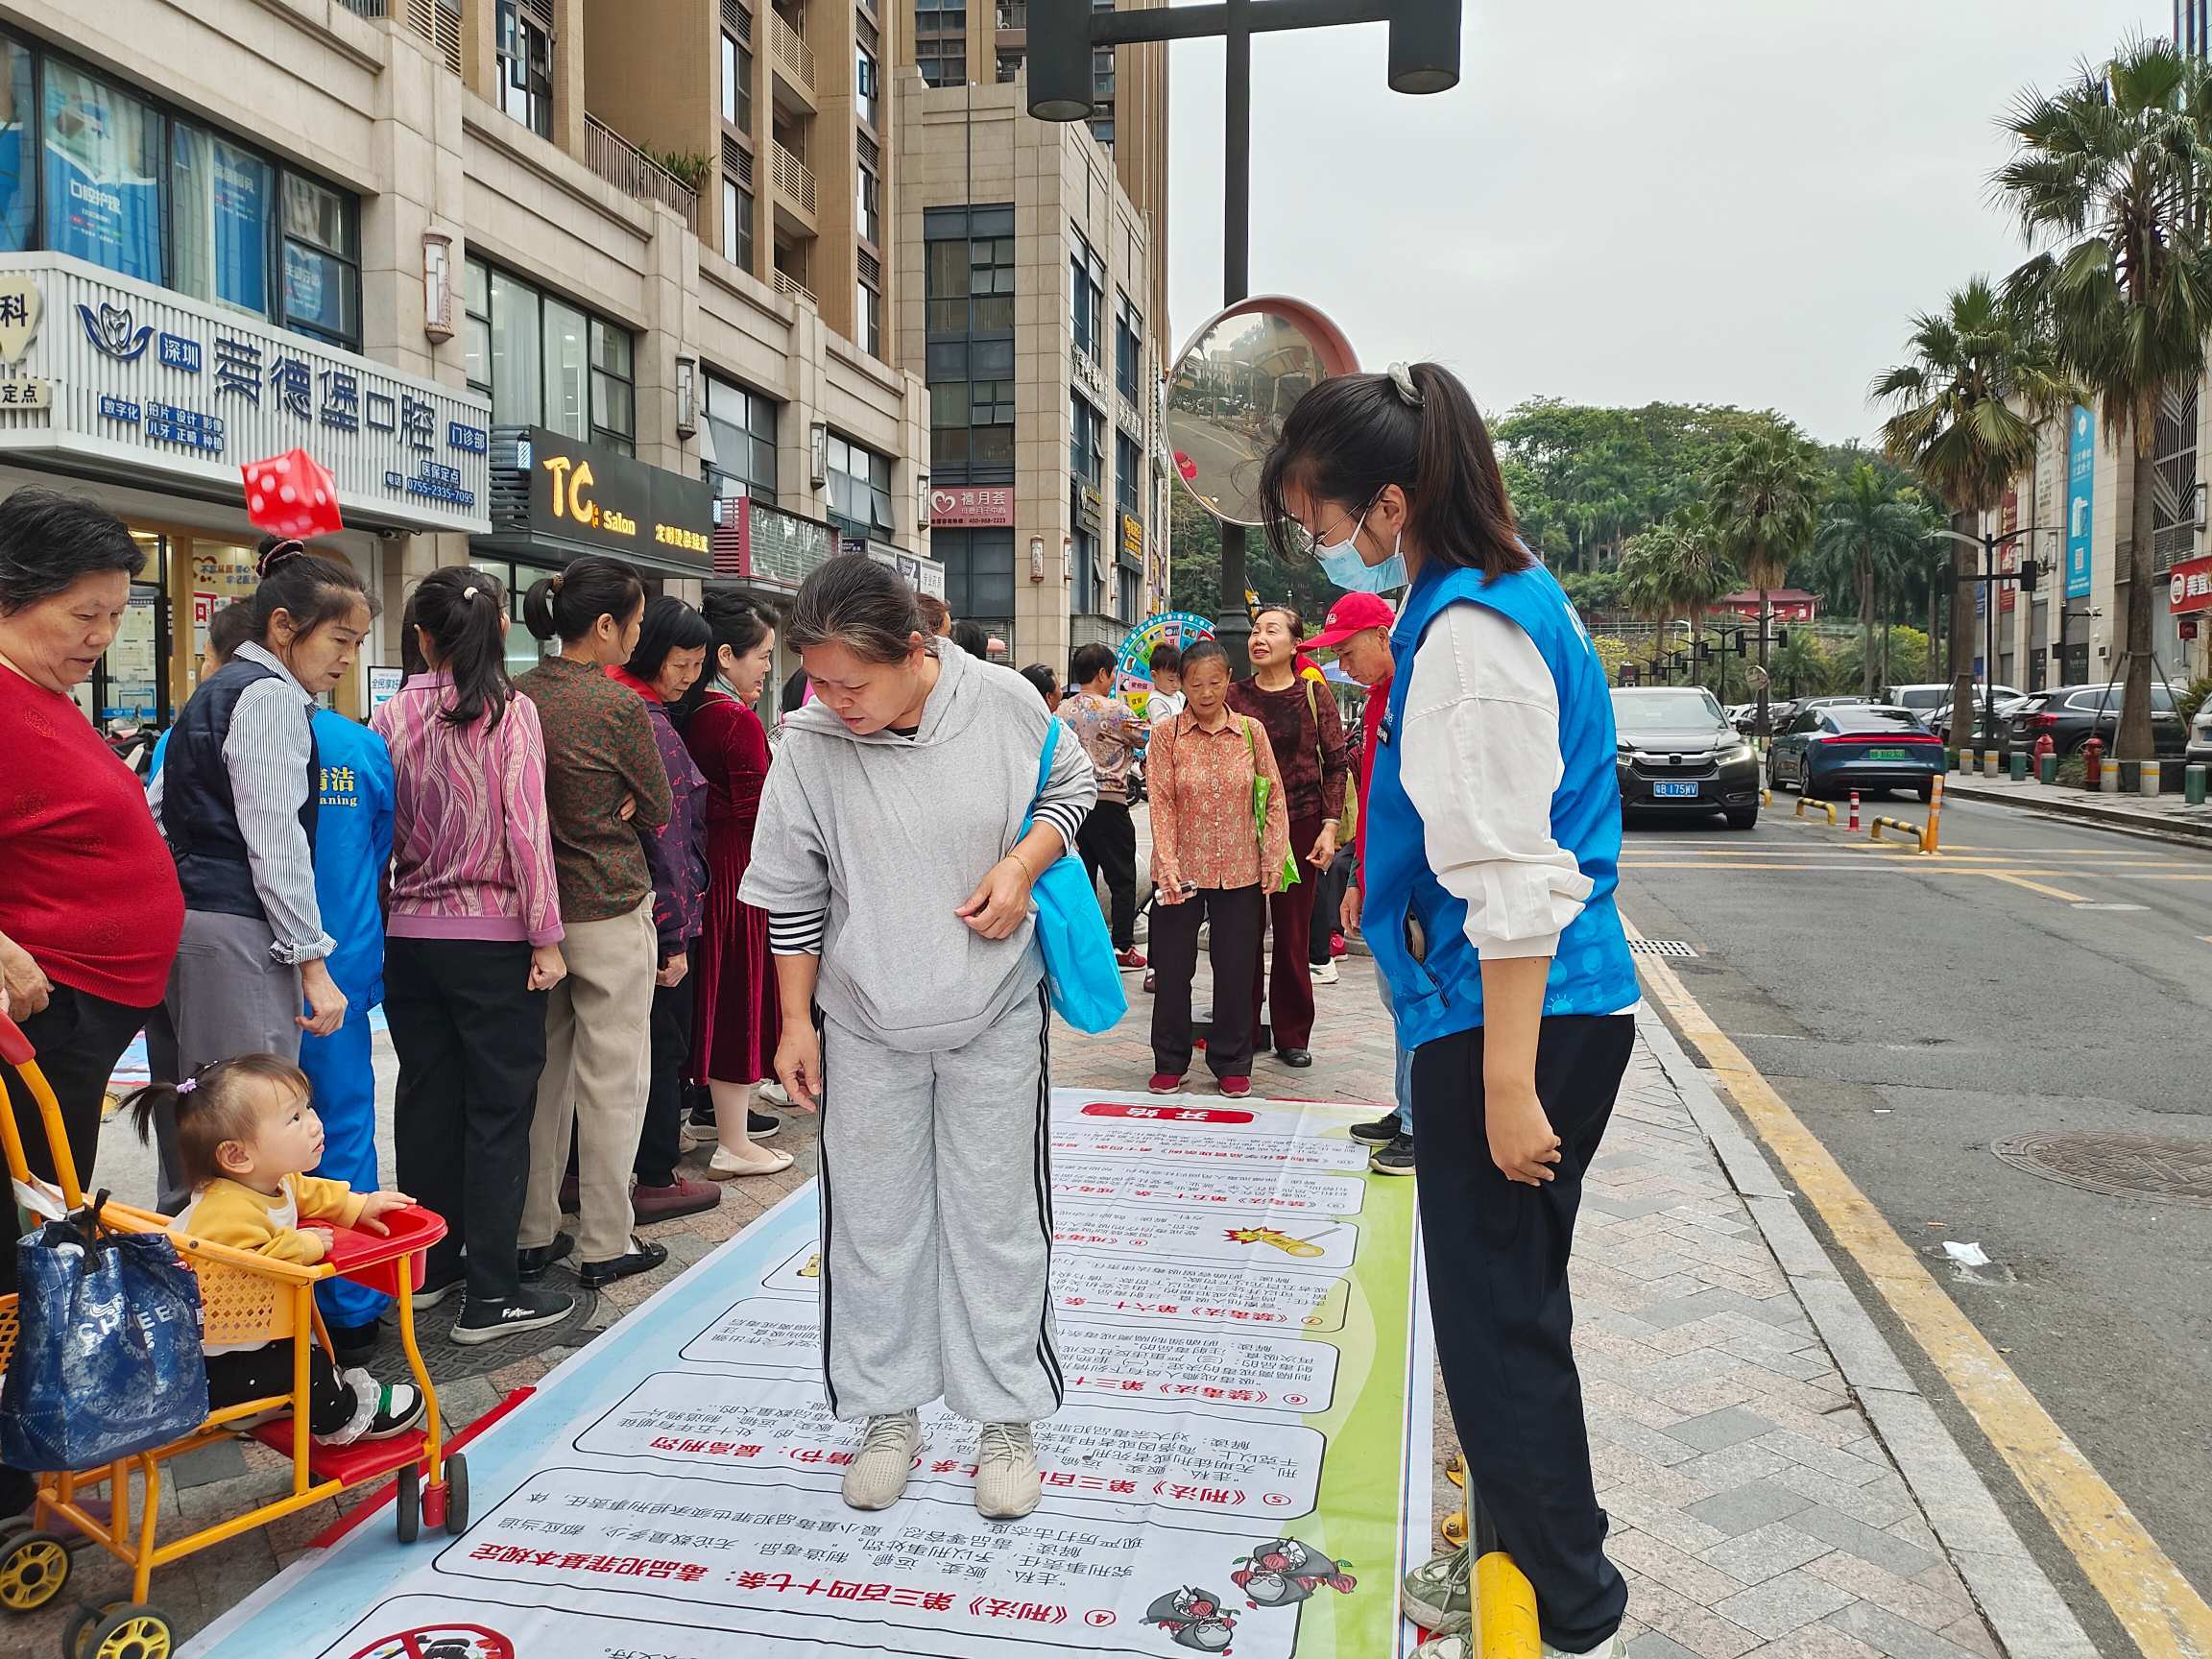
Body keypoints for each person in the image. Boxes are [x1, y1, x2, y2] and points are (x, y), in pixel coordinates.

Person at [1262, 362, 1640, 1659]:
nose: (1317, 549)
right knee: (1505, 1304)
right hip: (1505, 1004)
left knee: (1498, 1323)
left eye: (1318, 519)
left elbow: (1515, 875)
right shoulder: (1473, 601)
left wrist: (1505, 1082)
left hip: (1518, 1008)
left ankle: (1561, 1599)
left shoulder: (1470, 635)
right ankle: (1513, 1567)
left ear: (1387, 503)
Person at [740, 555, 1094, 1522]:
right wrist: (791, 1023)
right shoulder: (810, 742)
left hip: (992, 1012)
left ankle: (1005, 1418)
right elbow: (795, 897)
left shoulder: (1005, 705)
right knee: (873, 1225)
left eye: (852, 682)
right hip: (865, 1020)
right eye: (816, 679)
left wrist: (1022, 865)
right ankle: (887, 1412)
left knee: (996, 1218)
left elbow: (1073, 790)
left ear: (915, 650)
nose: (834, 700)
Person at [0, 492, 188, 1517]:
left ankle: (34, 1434)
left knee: (46, 1222)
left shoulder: (43, 694)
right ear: (12, 594)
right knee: (25, 1237)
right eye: (84, 614)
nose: (103, 638)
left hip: (79, 1022)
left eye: (117, 614)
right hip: (39, 1023)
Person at [375, 566, 575, 1343]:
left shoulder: (390, 715)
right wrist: (546, 938)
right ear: (498, 633)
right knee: (499, 1114)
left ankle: (430, 1271)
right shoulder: (508, 714)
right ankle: (492, 1297)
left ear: (422, 636)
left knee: (425, 1103)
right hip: (491, 940)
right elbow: (528, 832)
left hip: (410, 940)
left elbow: (382, 835)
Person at [148, 537, 376, 1212]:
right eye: (339, 639)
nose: (346, 658)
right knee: (248, 1132)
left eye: (356, 643)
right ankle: (245, 1300)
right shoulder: (273, 699)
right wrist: (313, 965)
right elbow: (275, 844)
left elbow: (154, 812)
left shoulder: (214, 690)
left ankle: (190, 1281)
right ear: (284, 627)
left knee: (197, 1122)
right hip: (237, 936)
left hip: (185, 927)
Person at [124, 1056, 425, 1444]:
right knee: (305, 1363)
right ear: (237, 1155)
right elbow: (251, 1259)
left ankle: (265, 1406)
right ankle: (346, 1416)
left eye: (307, 1108)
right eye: (294, 1119)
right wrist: (302, 1245)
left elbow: (308, 1192)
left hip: (244, 1342)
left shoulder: (268, 1181)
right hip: (209, 1362)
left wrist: (357, 1206)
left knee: (304, 1347)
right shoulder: (225, 1210)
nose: (315, 1122)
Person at [515, 557, 673, 1290]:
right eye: (636, 622)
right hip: (607, 903)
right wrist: (629, 808)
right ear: (605, 626)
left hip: (532, 914)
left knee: (542, 1075)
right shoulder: (617, 707)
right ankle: (607, 1240)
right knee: (613, 1078)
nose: (638, 635)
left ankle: (532, 1229)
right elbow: (662, 807)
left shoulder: (517, 696)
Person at [609, 598, 757, 1212]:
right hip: (654, 908)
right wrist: (674, 934)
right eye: (681, 661)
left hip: (613, 904)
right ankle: (655, 1175)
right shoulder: (643, 716)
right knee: (658, 1044)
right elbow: (668, 833)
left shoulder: (593, 702)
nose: (689, 676)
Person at [676, 589, 796, 1177]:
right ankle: (733, 1140)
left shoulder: (698, 713)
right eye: (764, 656)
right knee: (739, 997)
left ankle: (714, 1120)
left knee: (718, 994)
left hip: (714, 868)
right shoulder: (734, 720)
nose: (768, 668)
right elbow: (760, 811)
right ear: (725, 655)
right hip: (741, 872)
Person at [292, 702, 396, 1363]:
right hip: (340, 957)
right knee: (341, 1123)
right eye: (341, 640)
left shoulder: (196, 731)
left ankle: (252, 1310)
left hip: (240, 965)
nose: (347, 656)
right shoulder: (355, 745)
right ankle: (352, 1307)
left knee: (225, 1134)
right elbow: (377, 850)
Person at [1142, 638, 1287, 1099]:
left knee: (1237, 968)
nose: (1206, 692)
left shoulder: (1251, 732)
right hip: (1179, 872)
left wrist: (1273, 858)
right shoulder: (1166, 735)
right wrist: (1166, 863)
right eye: (1195, 684)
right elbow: (1161, 802)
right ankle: (1169, 1058)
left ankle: (1231, 1060)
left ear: (1228, 680)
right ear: (1181, 685)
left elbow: (1274, 796)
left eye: (1215, 682)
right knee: (1171, 967)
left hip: (1240, 869)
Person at [1301, 593, 1414, 1177]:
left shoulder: (1416, 692)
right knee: (1397, 998)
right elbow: (1371, 799)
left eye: (1346, 651)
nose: (1343, 665)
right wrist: (1360, 875)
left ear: (1380, 634)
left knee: (1419, 998)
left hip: (1418, 876)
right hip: (1384, 871)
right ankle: (1408, 1110)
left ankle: (1424, 1124)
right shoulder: (1378, 700)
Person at [1228, 606, 1349, 1070]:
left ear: (1295, 644)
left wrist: (1329, 824)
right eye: (1255, 630)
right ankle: (1241, 1027)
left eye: (1271, 630)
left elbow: (1336, 763)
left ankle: (1292, 1032)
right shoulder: (1233, 696)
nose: (1259, 637)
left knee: (1294, 933)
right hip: (1242, 825)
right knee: (1241, 931)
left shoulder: (1314, 695)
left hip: (1300, 822)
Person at [1059, 642, 1146, 972]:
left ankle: (1086, 947)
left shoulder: (1061, 712)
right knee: (1122, 877)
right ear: (1102, 673)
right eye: (1111, 674)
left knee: (1085, 876)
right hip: (1109, 802)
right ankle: (1122, 946)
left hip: (1073, 807)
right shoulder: (1116, 711)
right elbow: (1146, 737)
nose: (1113, 681)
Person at [1146, 641, 1186, 723]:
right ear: (1154, 676)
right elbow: (1164, 730)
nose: (1176, 684)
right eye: (1171, 679)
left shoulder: (1179, 695)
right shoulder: (1156, 701)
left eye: (1179, 678)